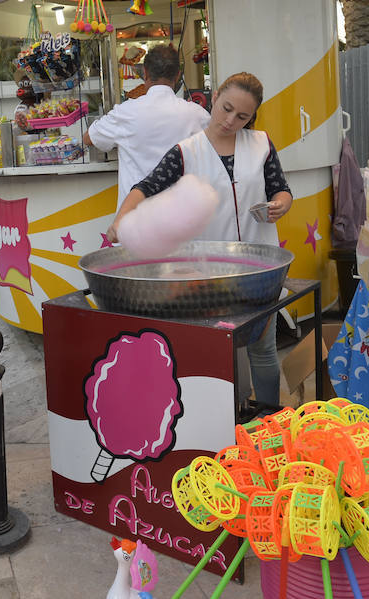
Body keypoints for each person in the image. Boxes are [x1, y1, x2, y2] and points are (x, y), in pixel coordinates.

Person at [109, 72, 293, 409]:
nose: (230, 120)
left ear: (252, 117)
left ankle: (269, 419)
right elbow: (145, 187)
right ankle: (233, 420)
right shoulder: (186, 151)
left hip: (260, 270)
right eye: (226, 109)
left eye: (242, 116)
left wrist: (282, 203)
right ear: (215, 96)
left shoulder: (262, 144)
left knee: (263, 349)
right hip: (214, 275)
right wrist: (122, 218)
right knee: (224, 350)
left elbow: (279, 187)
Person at [83, 44, 211, 210]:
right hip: (181, 217)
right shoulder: (197, 115)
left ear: (145, 72)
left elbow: (88, 138)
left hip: (136, 217)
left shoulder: (126, 112)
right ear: (178, 75)